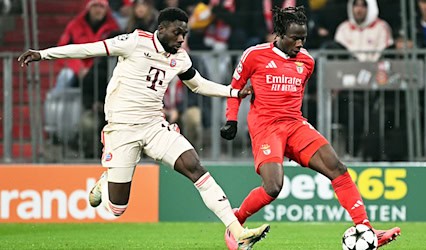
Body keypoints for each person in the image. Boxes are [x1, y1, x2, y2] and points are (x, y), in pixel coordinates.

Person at [18, 7, 269, 250]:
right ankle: (106, 181)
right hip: (122, 129)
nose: (181, 39)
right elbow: (89, 49)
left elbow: (198, 85)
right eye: (176, 33)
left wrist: (234, 91)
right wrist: (43, 54)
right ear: (161, 29)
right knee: (117, 208)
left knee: (196, 168)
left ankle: (238, 233)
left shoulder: (180, 58)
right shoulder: (136, 41)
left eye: (185, 34)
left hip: (154, 126)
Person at [220, 6, 400, 249]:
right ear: (280, 34)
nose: (299, 43)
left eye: (303, 38)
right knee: (273, 187)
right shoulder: (254, 55)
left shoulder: (307, 62)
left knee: (337, 167)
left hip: (294, 124)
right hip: (266, 127)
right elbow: (234, 89)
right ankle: (236, 223)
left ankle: (366, 229)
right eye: (294, 38)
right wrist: (231, 119)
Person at [52, 0, 119, 91]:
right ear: (89, 7)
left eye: (101, 7)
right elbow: (62, 49)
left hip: (101, 70)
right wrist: (79, 68)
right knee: (65, 76)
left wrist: (92, 70)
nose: (98, 10)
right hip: (77, 68)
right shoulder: (75, 25)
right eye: (95, 6)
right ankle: (57, 104)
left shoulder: (113, 28)